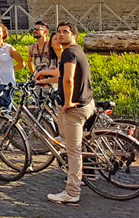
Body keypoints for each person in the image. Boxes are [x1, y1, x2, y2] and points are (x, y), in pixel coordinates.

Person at [37, 22, 95, 204]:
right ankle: (77, 176)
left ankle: (72, 192)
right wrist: (44, 76)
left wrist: (68, 102)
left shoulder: (69, 53)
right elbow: (62, 75)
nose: (61, 35)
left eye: (65, 32)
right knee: (68, 140)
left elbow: (68, 80)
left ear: (74, 35)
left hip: (75, 108)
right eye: (59, 32)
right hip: (86, 102)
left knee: (73, 151)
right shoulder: (76, 51)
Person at [27, 21, 56, 87]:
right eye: (33, 29)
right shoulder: (32, 47)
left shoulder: (51, 45)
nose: (34, 31)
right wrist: (33, 73)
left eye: (37, 29)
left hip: (51, 80)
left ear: (45, 32)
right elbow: (29, 61)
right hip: (38, 80)